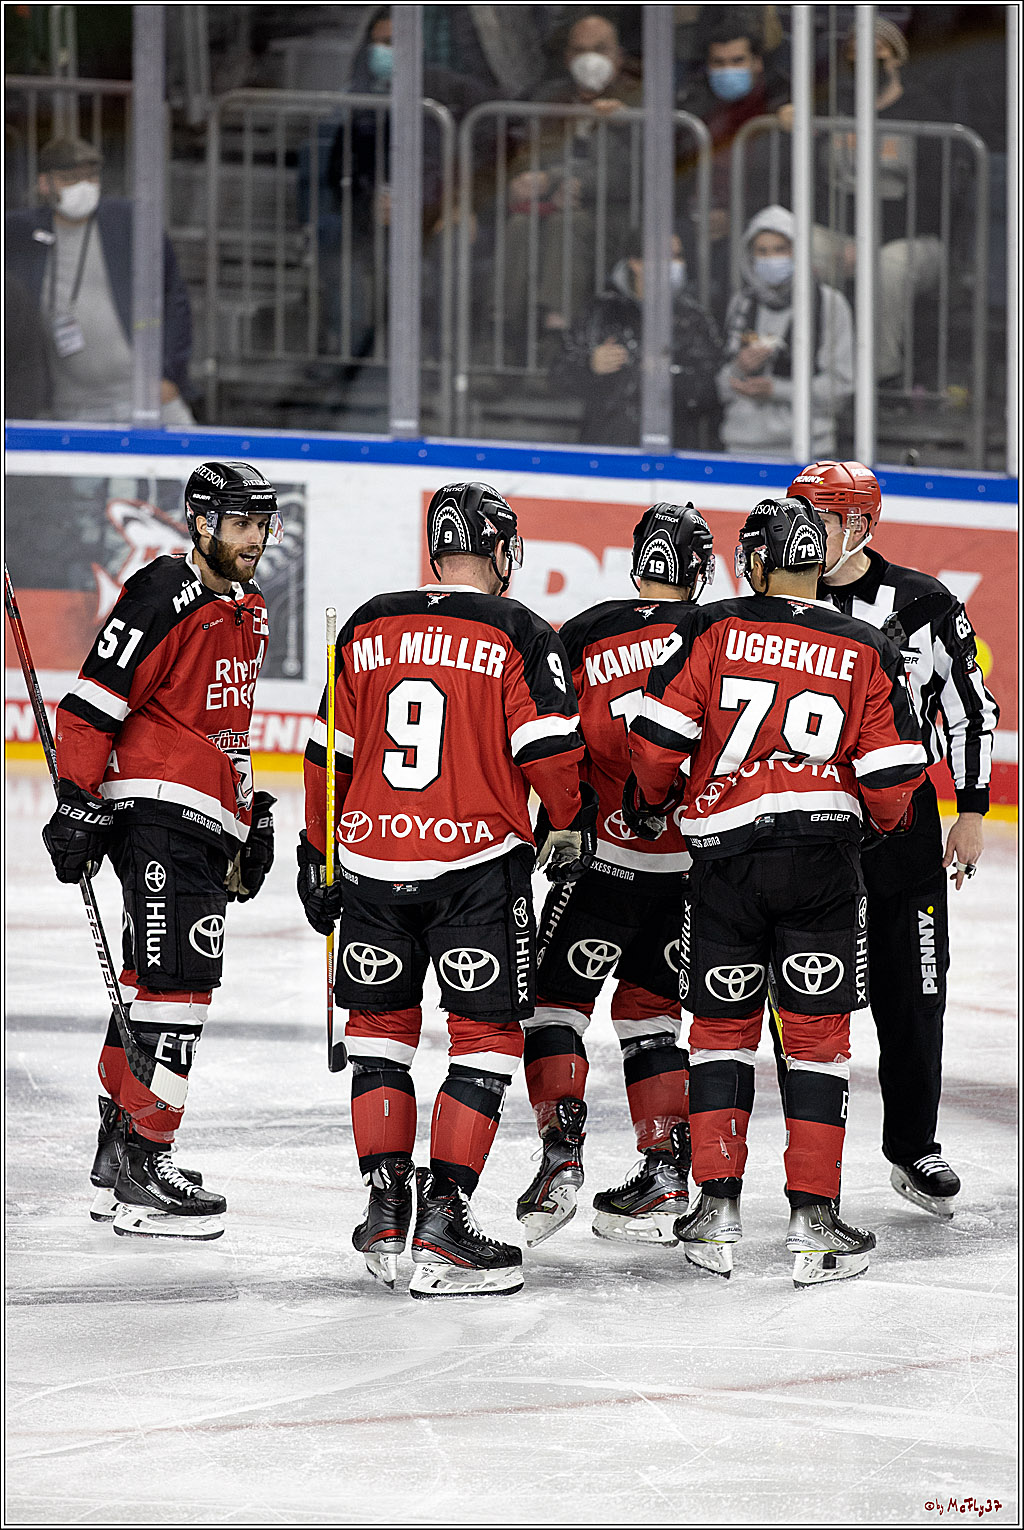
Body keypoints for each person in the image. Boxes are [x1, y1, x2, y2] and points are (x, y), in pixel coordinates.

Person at [297, 482, 594, 1299]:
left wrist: (315, 852)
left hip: (370, 865)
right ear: (500, 551)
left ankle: (387, 1210)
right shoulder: (519, 629)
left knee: (379, 1035)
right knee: (486, 1039)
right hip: (476, 868)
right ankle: (444, 1225)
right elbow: (551, 755)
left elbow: (333, 753)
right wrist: (568, 822)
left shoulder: (368, 621)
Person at [627, 496, 927, 1285]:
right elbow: (896, 775)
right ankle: (814, 1223)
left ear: (755, 561)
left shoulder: (714, 626)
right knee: (818, 1043)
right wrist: (876, 827)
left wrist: (655, 798)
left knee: (720, 1032)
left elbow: (657, 741)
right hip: (823, 865)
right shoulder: (863, 641)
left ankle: (716, 1212)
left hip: (725, 866)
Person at [41, 462, 281, 1239]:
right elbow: (91, 703)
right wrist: (78, 802)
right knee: (179, 984)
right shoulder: (161, 591)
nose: (255, 538)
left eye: (262, 523)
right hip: (154, 815)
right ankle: (148, 1157)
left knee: (153, 984)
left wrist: (248, 817)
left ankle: (121, 1154)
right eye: (241, 523)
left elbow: (227, 728)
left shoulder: (250, 608)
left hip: (201, 823)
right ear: (201, 523)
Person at [788, 460, 1000, 1216]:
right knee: (805, 990)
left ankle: (915, 1147)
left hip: (903, 823)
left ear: (865, 524)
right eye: (801, 513)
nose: (810, 531)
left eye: (827, 516)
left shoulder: (923, 601)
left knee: (914, 990)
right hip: (801, 822)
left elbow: (973, 707)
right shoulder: (776, 594)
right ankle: (806, 1160)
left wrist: (971, 808)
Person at [516, 504, 714, 1249]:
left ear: (639, 560)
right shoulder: (717, 629)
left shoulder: (582, 632)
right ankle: (665, 1167)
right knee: (652, 1016)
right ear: (697, 569)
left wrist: (551, 822)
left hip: (596, 855)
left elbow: (549, 739)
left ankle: (560, 1159)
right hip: (687, 865)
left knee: (555, 1006)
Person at [4, 136, 194, 424]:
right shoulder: (19, 234)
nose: (83, 186)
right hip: (72, 411)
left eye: (91, 177)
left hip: (149, 398)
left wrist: (169, 374)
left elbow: (174, 300)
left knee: (198, 469)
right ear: (45, 184)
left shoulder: (129, 222)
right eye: (69, 178)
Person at [502, 13, 642, 350]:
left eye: (600, 50)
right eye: (579, 50)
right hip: (547, 210)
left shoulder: (638, 102)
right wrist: (521, 182)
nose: (589, 60)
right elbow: (524, 158)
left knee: (569, 223)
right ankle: (502, 333)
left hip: (613, 219)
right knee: (520, 225)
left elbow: (633, 174)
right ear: (566, 58)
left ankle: (557, 337)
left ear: (619, 57)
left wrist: (561, 180)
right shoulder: (549, 100)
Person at [551, 229, 722, 449]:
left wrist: (668, 375)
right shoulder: (602, 311)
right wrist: (590, 364)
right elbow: (559, 375)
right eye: (665, 256)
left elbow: (711, 386)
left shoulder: (693, 317)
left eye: (678, 256)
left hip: (676, 449)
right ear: (636, 263)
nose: (674, 264)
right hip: (607, 446)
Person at [717, 204, 853, 459]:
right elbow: (720, 387)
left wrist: (776, 390)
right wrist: (739, 368)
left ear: (798, 252)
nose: (771, 259)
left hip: (809, 450)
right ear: (750, 257)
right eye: (762, 252)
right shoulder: (742, 304)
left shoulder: (829, 304)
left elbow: (840, 390)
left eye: (780, 250)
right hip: (740, 448)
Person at [676, 17, 791, 319]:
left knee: (733, 260)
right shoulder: (691, 100)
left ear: (757, 63)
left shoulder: (782, 102)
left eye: (737, 61)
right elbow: (674, 170)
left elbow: (786, 181)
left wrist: (735, 217)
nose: (728, 70)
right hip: (692, 216)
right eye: (719, 63)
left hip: (753, 215)